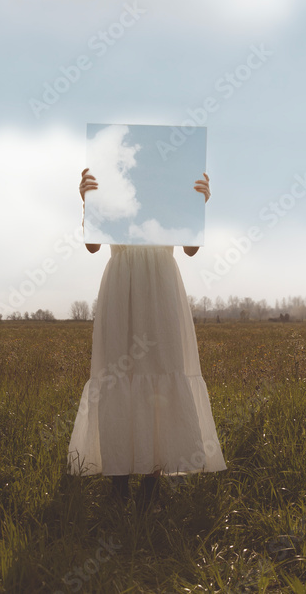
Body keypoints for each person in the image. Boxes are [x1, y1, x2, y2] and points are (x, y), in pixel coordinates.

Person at [66, 168, 228, 513]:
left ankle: (152, 485)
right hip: (121, 277)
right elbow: (93, 245)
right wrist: (87, 202)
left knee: (161, 369)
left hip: (161, 281)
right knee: (117, 374)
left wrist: (198, 203)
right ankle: (118, 484)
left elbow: (191, 249)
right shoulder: (111, 172)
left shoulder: (172, 174)